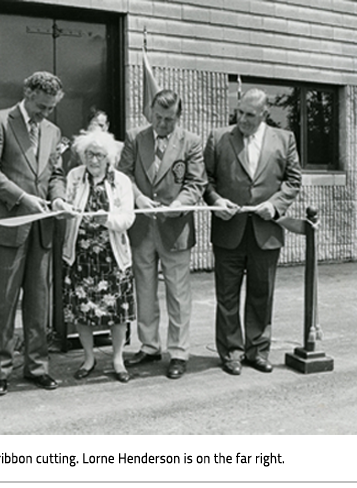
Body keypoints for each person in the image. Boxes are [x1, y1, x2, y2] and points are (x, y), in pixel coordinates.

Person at [0, 71, 74, 396]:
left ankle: (37, 366)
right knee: (3, 303)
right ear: (28, 93)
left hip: (42, 228)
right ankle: (0, 370)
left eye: (50, 109)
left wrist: (58, 195)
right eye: (42, 107)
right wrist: (22, 197)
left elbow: (55, 173)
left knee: (38, 302)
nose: (45, 114)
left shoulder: (52, 130)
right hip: (8, 225)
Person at [203, 88, 302, 375]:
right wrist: (215, 200)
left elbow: (293, 180)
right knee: (227, 296)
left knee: (262, 294)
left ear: (263, 114)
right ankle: (231, 352)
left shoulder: (285, 139)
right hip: (228, 230)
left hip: (266, 230)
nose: (242, 119)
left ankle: (257, 350)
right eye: (239, 112)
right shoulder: (218, 138)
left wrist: (275, 205)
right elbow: (205, 180)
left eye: (249, 114)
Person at [118, 89, 206, 380]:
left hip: (175, 228)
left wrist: (180, 204)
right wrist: (138, 197)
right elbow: (123, 175)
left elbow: (196, 183)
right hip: (142, 228)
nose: (162, 124)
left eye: (169, 119)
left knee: (178, 293)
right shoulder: (135, 138)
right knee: (144, 289)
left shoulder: (191, 142)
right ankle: (149, 345)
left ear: (178, 118)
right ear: (150, 112)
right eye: (158, 117)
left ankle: (179, 352)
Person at [63, 131, 136, 383]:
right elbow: (66, 208)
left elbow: (128, 218)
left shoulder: (121, 181)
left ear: (109, 158)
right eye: (89, 154)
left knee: (118, 311)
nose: (93, 160)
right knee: (82, 310)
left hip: (112, 256)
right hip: (81, 255)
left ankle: (117, 359)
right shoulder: (74, 177)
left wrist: (106, 219)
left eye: (99, 155)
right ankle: (88, 358)